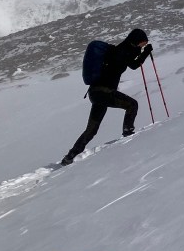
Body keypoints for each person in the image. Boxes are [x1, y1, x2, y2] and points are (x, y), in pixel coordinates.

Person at [61, 28, 151, 166]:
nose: (142, 46)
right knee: (132, 105)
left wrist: (141, 52)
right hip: (104, 91)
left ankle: (70, 156)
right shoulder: (122, 50)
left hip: (96, 93)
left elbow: (130, 62)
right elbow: (133, 64)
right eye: (142, 44)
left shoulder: (122, 50)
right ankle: (128, 135)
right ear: (136, 41)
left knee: (91, 130)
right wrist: (144, 53)